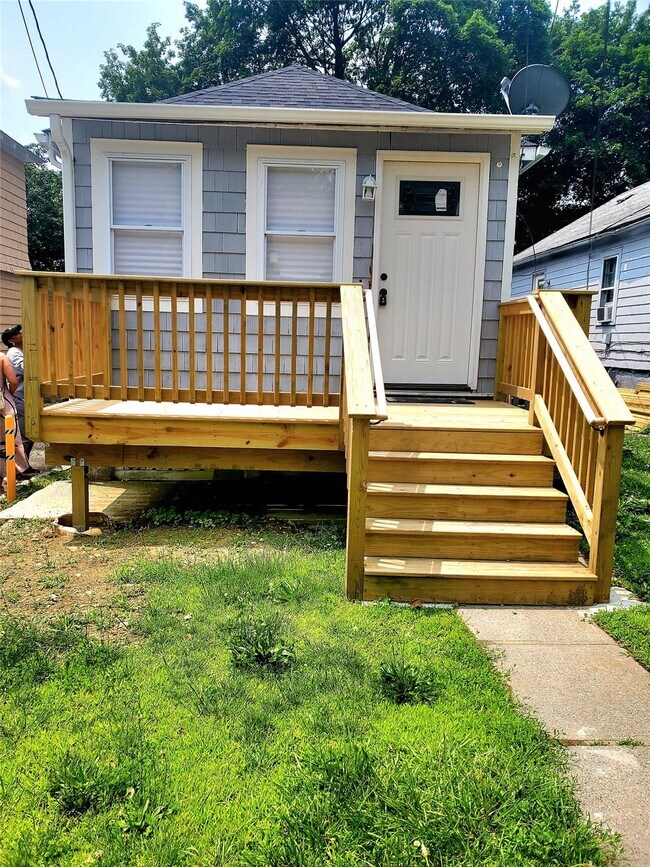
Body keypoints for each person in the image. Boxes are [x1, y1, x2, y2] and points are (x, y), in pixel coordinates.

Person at [0, 349, 32, 485]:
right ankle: (14, 473)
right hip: (3, 404)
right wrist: (10, 394)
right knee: (10, 439)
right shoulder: (1, 357)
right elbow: (13, 381)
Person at [1, 325, 32, 457]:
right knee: (25, 435)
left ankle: (24, 464)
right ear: (11, 340)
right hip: (20, 397)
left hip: (26, 397)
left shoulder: (21, 351)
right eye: (17, 333)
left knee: (30, 433)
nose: (21, 333)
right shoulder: (14, 352)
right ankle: (20, 465)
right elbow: (26, 368)